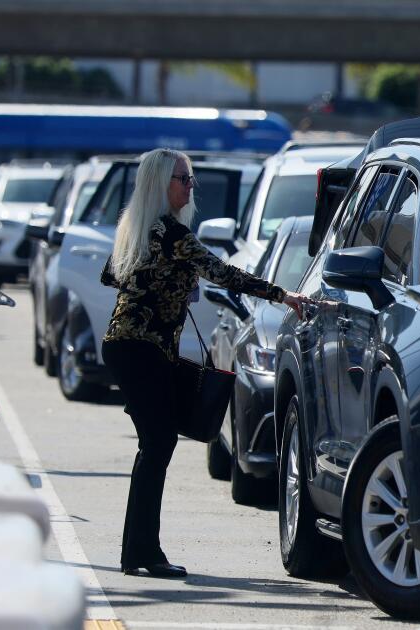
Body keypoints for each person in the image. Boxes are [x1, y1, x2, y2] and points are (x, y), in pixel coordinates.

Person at [100, 148, 310, 579]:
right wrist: (282, 295)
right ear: (162, 184)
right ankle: (142, 551)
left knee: (155, 445)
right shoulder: (174, 236)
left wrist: (167, 286)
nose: (190, 186)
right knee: (157, 445)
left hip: (131, 346)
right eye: (183, 178)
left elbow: (113, 276)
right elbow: (224, 273)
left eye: (190, 178)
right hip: (140, 349)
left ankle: (137, 550)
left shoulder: (139, 229)